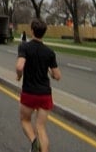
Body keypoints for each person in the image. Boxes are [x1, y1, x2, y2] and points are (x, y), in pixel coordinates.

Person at [16, 18, 62, 152]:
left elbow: (19, 66)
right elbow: (58, 76)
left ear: (31, 31)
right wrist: (50, 72)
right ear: (44, 33)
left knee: (25, 120)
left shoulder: (24, 47)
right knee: (41, 127)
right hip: (45, 95)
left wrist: (19, 76)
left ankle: (34, 141)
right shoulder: (49, 52)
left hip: (29, 92)